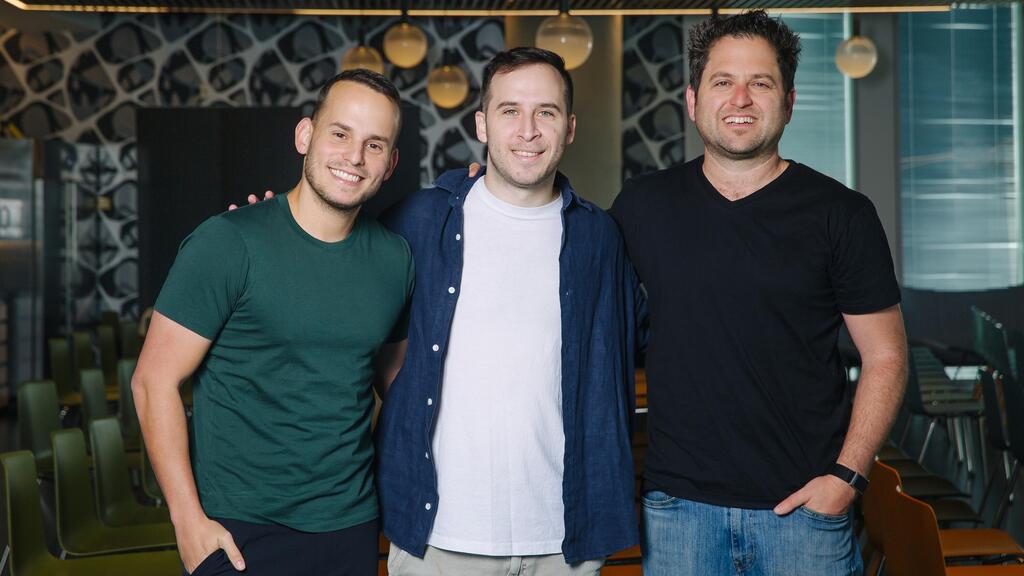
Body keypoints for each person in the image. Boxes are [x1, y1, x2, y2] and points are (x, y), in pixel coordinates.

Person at [609, 11, 907, 576]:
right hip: (678, 514)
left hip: (805, 516)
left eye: (760, 83)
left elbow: (886, 355)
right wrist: (489, 188)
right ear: (693, 99)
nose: (740, 98)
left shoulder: (841, 214)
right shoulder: (643, 207)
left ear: (788, 101)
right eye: (723, 81)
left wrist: (846, 478)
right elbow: (562, 260)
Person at [133, 69, 414, 576]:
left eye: (375, 145)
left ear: (391, 163)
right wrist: (187, 519)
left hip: (349, 523)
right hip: (238, 528)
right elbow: (154, 383)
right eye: (340, 133)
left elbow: (396, 379)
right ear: (305, 135)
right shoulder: (227, 242)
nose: (354, 156)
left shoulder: (395, 260)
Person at [376, 47, 640, 575]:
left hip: (565, 539)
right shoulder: (417, 221)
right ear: (482, 124)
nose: (527, 130)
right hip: (440, 536)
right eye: (509, 111)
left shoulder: (598, 237)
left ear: (568, 128)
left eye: (545, 112)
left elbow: (621, 359)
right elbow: (351, 321)